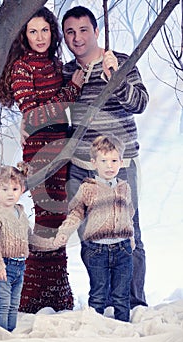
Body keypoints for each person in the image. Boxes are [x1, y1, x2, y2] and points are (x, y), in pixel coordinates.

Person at [0, 7, 84, 313]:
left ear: (53, 32)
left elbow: (57, 113)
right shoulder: (21, 68)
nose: (40, 37)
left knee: (55, 220)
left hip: (62, 147)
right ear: (24, 36)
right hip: (40, 152)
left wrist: (61, 103)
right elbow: (33, 117)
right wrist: (72, 90)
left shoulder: (56, 65)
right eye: (33, 31)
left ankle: (54, 293)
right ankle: (34, 296)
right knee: (49, 220)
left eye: (44, 30)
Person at [61, 6, 149, 309]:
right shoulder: (66, 72)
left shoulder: (121, 62)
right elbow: (59, 116)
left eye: (83, 30)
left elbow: (140, 103)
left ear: (96, 31)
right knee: (91, 239)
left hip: (120, 166)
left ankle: (134, 303)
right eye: (70, 32)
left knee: (129, 235)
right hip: (82, 169)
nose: (77, 37)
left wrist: (117, 78)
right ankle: (103, 301)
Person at [54, 134, 135, 322]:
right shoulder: (88, 189)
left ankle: (124, 332)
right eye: (104, 161)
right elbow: (75, 213)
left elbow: (128, 214)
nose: (109, 166)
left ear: (121, 162)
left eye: (114, 160)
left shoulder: (124, 188)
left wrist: (130, 239)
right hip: (97, 250)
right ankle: (95, 330)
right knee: (98, 294)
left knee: (121, 296)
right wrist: (64, 232)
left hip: (123, 249)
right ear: (93, 163)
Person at [0, 163, 55, 331]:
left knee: (14, 305)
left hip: (19, 266)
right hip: (1, 265)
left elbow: (28, 237)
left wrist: (50, 244)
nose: (10, 194)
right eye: (4, 189)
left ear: (21, 189)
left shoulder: (20, 212)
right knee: (3, 304)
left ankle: (10, 335)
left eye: (14, 189)